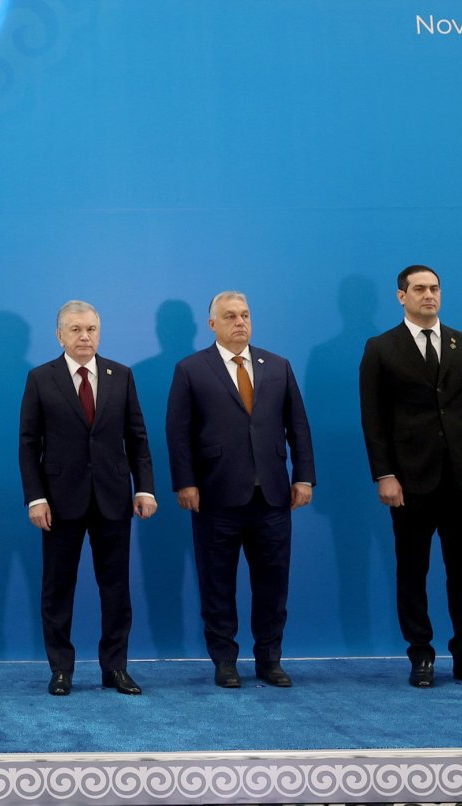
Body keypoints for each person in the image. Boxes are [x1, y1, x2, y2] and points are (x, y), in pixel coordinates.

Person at [359, 264, 462, 689]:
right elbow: (374, 419)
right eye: (419, 289)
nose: (429, 295)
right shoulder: (381, 347)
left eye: (435, 288)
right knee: (413, 570)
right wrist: (384, 474)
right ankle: (421, 655)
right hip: (409, 480)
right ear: (401, 296)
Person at [166, 291, 314, 689]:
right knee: (217, 584)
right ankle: (225, 661)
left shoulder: (278, 366)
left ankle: (269, 659)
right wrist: (185, 482)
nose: (240, 322)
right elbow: (178, 433)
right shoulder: (191, 369)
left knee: (273, 583)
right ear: (212, 324)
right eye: (230, 316)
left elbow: (298, 426)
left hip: (272, 497)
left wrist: (303, 477)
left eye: (245, 315)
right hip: (216, 496)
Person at [18, 300, 156, 697]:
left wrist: (144, 488)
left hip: (113, 499)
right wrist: (35, 498)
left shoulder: (121, 376)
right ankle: (61, 670)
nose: (84, 336)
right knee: (58, 589)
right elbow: (28, 445)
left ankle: (115, 669)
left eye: (91, 329)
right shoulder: (41, 378)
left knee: (116, 589)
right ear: (59, 335)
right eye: (76, 329)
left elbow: (138, 439)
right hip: (59, 503)